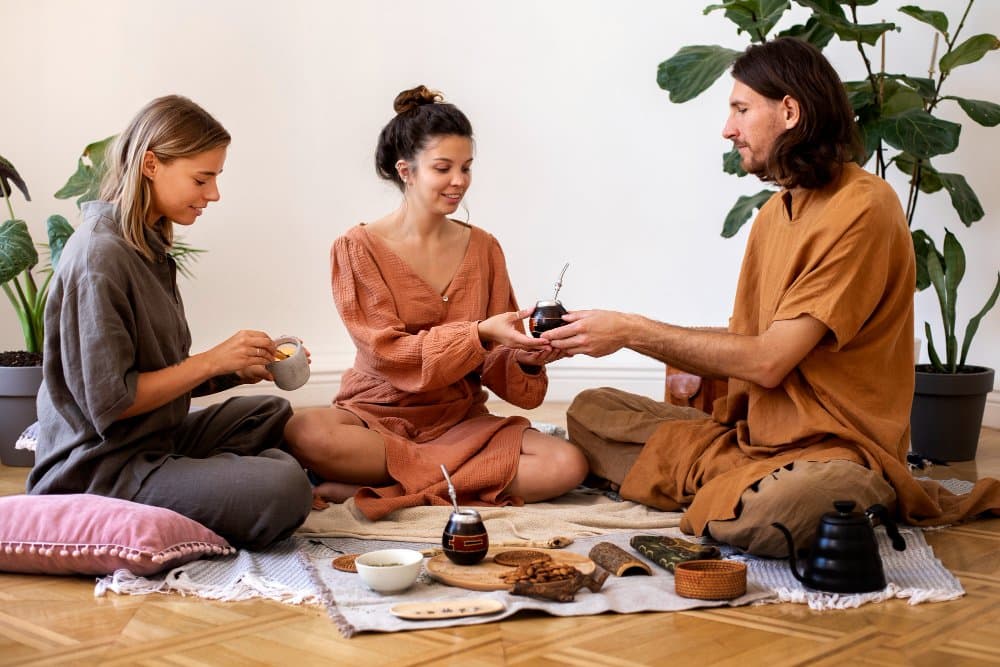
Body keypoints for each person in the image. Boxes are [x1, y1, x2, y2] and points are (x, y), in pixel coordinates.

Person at [543, 38, 1000, 555]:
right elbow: (753, 341)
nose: (727, 128)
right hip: (754, 440)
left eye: (740, 109)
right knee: (590, 410)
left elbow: (767, 361)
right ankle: (728, 483)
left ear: (788, 111)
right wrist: (654, 345)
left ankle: (735, 490)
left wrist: (631, 332)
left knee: (778, 513)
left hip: (837, 451)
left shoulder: (864, 207)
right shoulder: (772, 214)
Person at [284, 85, 588, 520]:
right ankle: (452, 481)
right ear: (406, 171)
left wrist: (530, 356)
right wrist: (478, 334)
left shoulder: (484, 248)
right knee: (308, 433)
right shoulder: (356, 248)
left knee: (566, 464)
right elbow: (389, 354)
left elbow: (500, 364)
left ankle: (388, 486)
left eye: (466, 168)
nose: (459, 181)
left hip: (459, 421)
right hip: (378, 417)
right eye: (443, 168)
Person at [27, 95, 313, 549]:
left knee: (268, 412)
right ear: (151, 164)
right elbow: (113, 402)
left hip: (155, 438)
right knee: (285, 487)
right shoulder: (99, 257)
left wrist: (233, 370)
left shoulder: (146, 246)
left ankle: (215, 482)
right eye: (202, 178)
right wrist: (211, 360)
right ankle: (232, 485)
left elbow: (158, 371)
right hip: (101, 468)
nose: (213, 194)